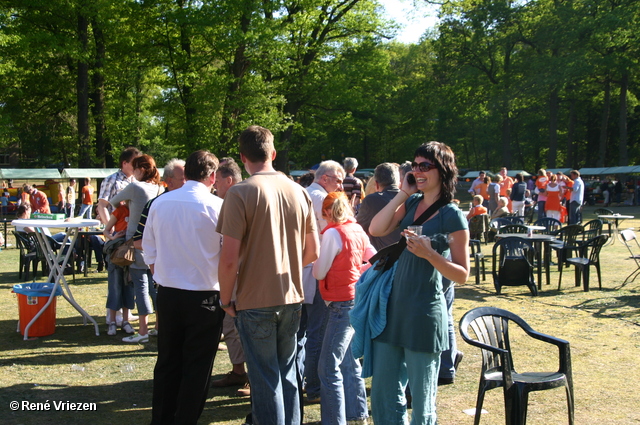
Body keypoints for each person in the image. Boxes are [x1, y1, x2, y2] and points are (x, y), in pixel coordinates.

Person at [217, 125, 319, 425]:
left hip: (254, 300)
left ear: (242, 156)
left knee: (264, 380)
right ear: (273, 154)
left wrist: (225, 300)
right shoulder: (299, 191)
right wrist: (282, 266)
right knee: (287, 374)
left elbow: (228, 259)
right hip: (291, 296)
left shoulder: (239, 192)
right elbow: (313, 251)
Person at [368, 141, 469, 425]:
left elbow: (462, 273)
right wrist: (402, 193)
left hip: (424, 314)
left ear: (443, 170)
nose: (418, 171)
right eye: (415, 165)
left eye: (426, 166)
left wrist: (430, 254)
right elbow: (376, 228)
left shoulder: (452, 214)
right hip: (392, 312)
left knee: (423, 402)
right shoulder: (411, 202)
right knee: (384, 396)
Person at [142, 150, 224, 425]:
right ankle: (185, 418)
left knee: (168, 359)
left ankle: (162, 418)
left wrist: (163, 275)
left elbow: (148, 250)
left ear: (186, 173)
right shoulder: (217, 206)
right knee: (198, 364)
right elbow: (228, 255)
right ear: (212, 176)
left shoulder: (160, 204)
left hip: (169, 291)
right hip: (205, 294)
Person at [312, 191, 374, 425]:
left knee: (328, 368)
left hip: (340, 303)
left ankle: (334, 421)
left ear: (326, 212)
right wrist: (357, 272)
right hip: (354, 300)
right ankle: (358, 415)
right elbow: (375, 259)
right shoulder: (357, 229)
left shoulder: (333, 234)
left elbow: (319, 272)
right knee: (348, 361)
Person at [109, 154, 164, 343]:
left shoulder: (135, 187)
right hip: (155, 242)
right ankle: (158, 326)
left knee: (140, 285)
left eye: (134, 169)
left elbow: (114, 201)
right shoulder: (158, 188)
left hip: (136, 241)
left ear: (140, 169)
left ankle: (142, 331)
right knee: (155, 286)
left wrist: (128, 207)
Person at [304, 160, 345, 405]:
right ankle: (315, 385)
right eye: (338, 180)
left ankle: (304, 381)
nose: (341, 185)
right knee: (317, 331)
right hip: (318, 269)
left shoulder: (303, 193)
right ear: (326, 177)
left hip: (303, 269)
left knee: (302, 332)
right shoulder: (323, 199)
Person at [211, 157, 251, 397]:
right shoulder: (228, 200)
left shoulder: (242, 198)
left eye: (217, 181)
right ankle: (238, 371)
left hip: (244, 275)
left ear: (228, 179)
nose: (214, 186)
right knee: (230, 325)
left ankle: (252, 378)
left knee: (242, 325)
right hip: (233, 274)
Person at [102, 201, 134, 336]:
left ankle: (126, 320)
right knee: (115, 286)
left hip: (131, 253)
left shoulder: (137, 210)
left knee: (129, 286)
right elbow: (106, 230)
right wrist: (113, 237)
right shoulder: (120, 211)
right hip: (117, 252)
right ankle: (113, 321)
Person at [356, 162, 401, 251]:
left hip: (383, 258)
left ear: (376, 184)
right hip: (407, 257)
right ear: (399, 183)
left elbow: (358, 230)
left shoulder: (372, 200)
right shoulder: (411, 199)